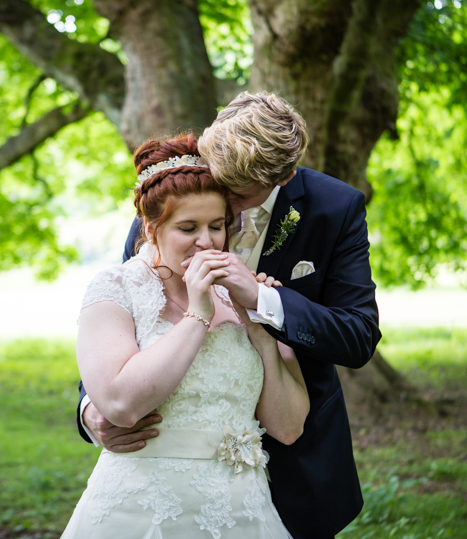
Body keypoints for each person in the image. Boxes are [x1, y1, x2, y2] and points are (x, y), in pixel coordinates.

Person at [79, 92, 382, 539]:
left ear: (283, 177)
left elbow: (358, 336)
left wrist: (263, 301)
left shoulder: (334, 209)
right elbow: (125, 308)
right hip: (157, 465)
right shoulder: (178, 194)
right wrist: (93, 407)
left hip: (294, 453)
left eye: (235, 195)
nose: (219, 202)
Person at [61, 134, 309, 538]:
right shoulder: (115, 289)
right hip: (141, 510)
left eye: (216, 226)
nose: (206, 242)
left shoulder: (245, 293)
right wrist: (198, 313)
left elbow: (288, 427)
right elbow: (121, 405)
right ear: (151, 228)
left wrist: (260, 329)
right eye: (187, 228)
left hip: (242, 512)